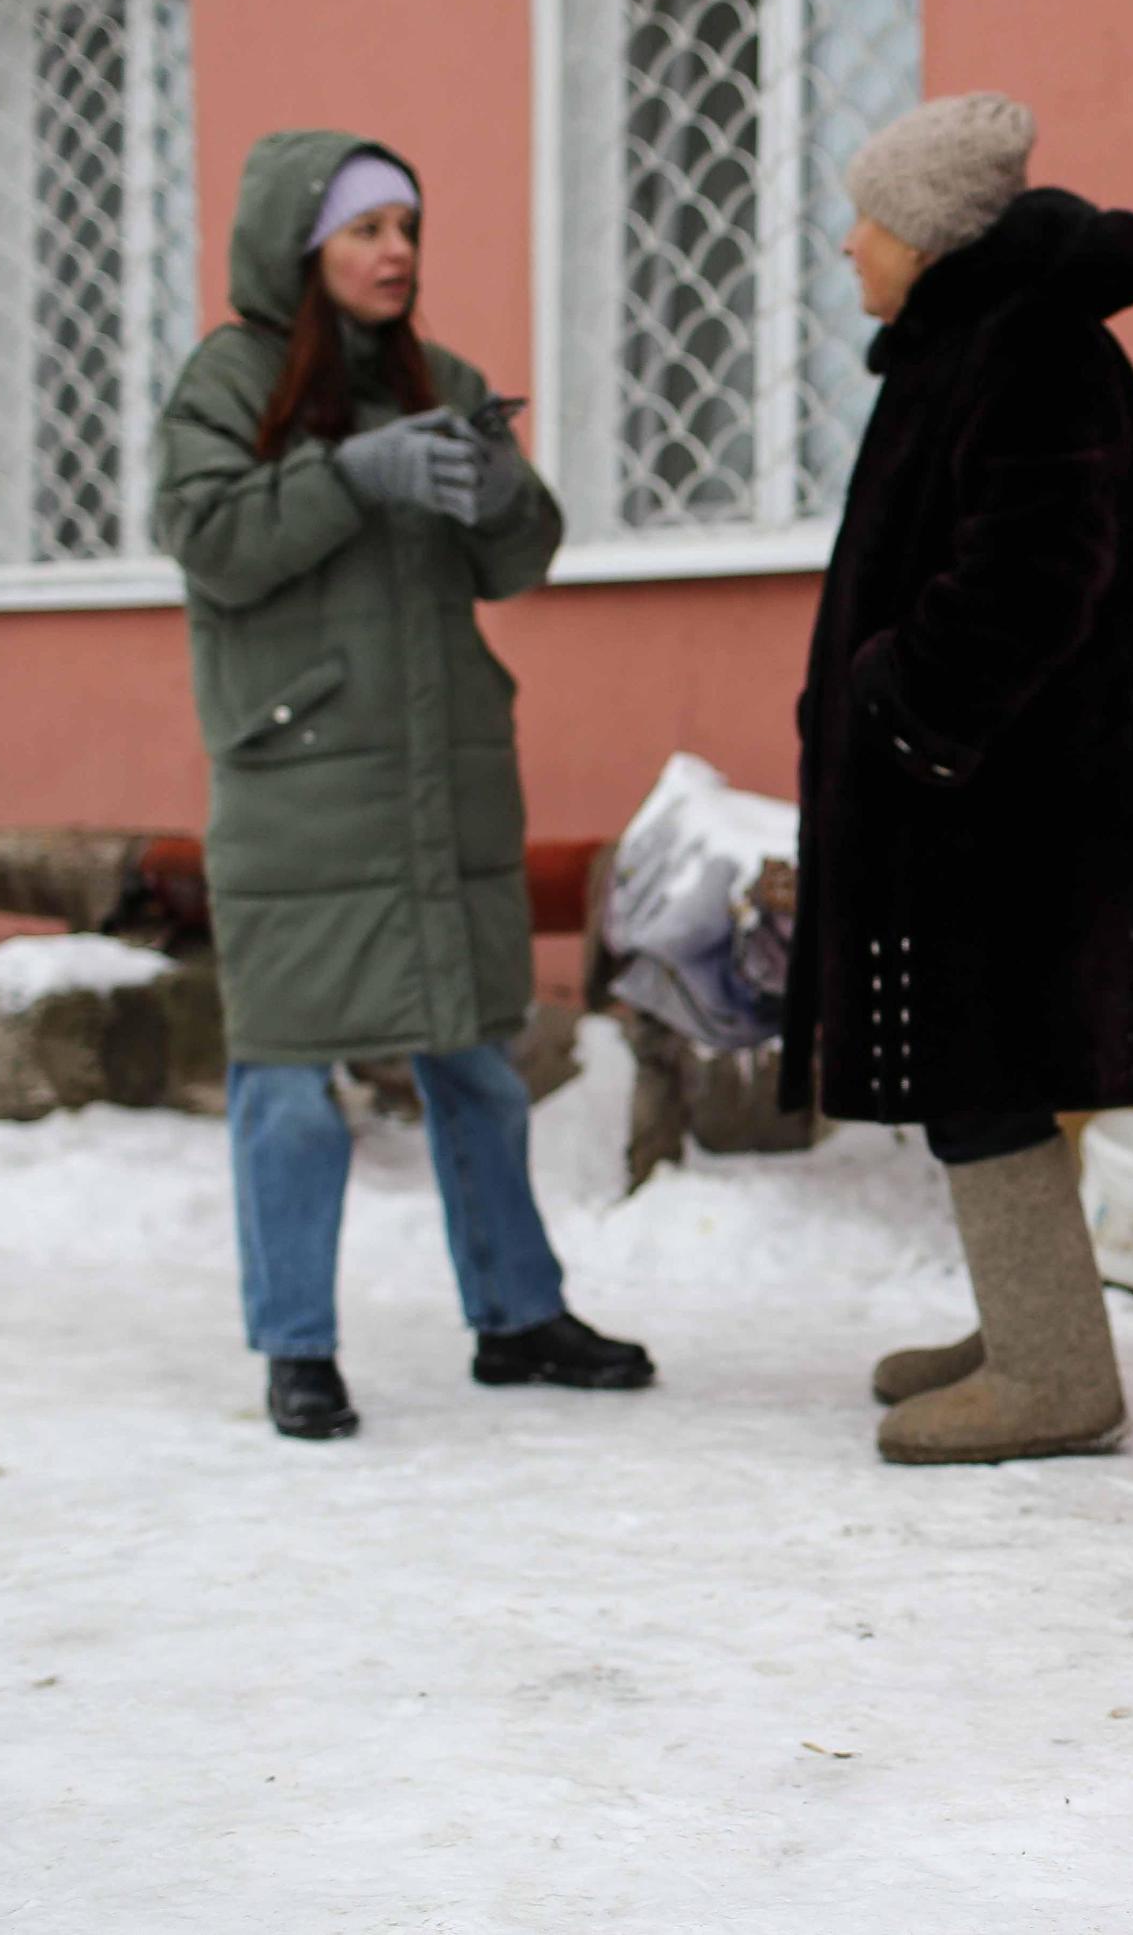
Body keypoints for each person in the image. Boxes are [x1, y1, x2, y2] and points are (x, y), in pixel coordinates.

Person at [153, 131, 653, 1440]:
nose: (397, 253)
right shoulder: (230, 378)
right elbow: (209, 541)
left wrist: (498, 491)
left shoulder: (448, 377)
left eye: (410, 230)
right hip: (301, 784)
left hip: (444, 781)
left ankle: (518, 1316)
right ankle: (298, 1349)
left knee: (478, 1061)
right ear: (300, 244)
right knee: (293, 1078)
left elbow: (519, 558)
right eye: (369, 228)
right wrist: (346, 475)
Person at [784, 94, 1133, 1464]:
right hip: (979, 789)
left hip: (1004, 800)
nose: (849, 246)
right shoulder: (976, 343)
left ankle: (1057, 1377)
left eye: (869, 220)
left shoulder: (1033, 352)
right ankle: (1030, 1329)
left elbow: (1033, 574)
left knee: (988, 1059)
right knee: (980, 1057)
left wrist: (897, 703)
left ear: (932, 235)